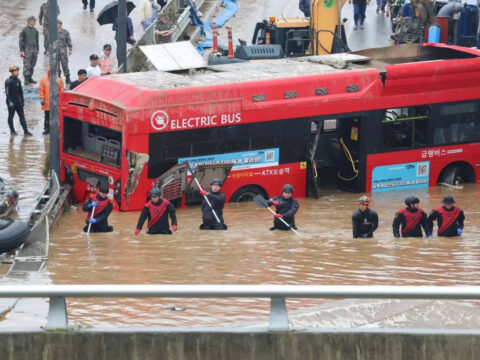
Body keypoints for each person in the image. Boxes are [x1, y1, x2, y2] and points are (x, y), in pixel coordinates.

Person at [5, 65, 32, 136]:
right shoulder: (8, 81)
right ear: (12, 72)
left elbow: (20, 92)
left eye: (18, 71)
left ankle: (26, 131)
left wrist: (22, 100)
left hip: (18, 101)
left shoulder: (18, 80)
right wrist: (10, 102)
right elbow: (7, 93)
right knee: (11, 116)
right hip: (10, 102)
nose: (17, 72)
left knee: (22, 116)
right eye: (15, 71)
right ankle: (12, 130)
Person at [39, 68, 64, 135]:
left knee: (56, 116)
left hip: (56, 102)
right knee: (47, 116)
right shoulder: (43, 80)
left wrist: (60, 95)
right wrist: (42, 98)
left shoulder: (59, 80)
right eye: (49, 72)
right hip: (47, 103)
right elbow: (41, 90)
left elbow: (62, 90)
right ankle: (47, 128)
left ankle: (55, 129)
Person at [19, 16, 39, 85]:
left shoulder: (35, 30)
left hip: (34, 49)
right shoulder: (24, 30)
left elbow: (37, 40)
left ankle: (30, 77)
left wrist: (37, 49)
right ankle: (26, 78)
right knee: (26, 64)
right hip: (27, 49)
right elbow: (21, 40)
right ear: (30, 21)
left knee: (33, 63)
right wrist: (21, 50)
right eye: (34, 21)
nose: (35, 22)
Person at [55, 20, 73, 84]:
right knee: (56, 66)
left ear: (61, 24)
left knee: (65, 65)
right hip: (55, 51)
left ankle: (67, 78)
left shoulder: (65, 32)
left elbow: (69, 41)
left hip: (63, 51)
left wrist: (70, 49)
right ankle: (58, 78)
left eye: (59, 24)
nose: (58, 25)